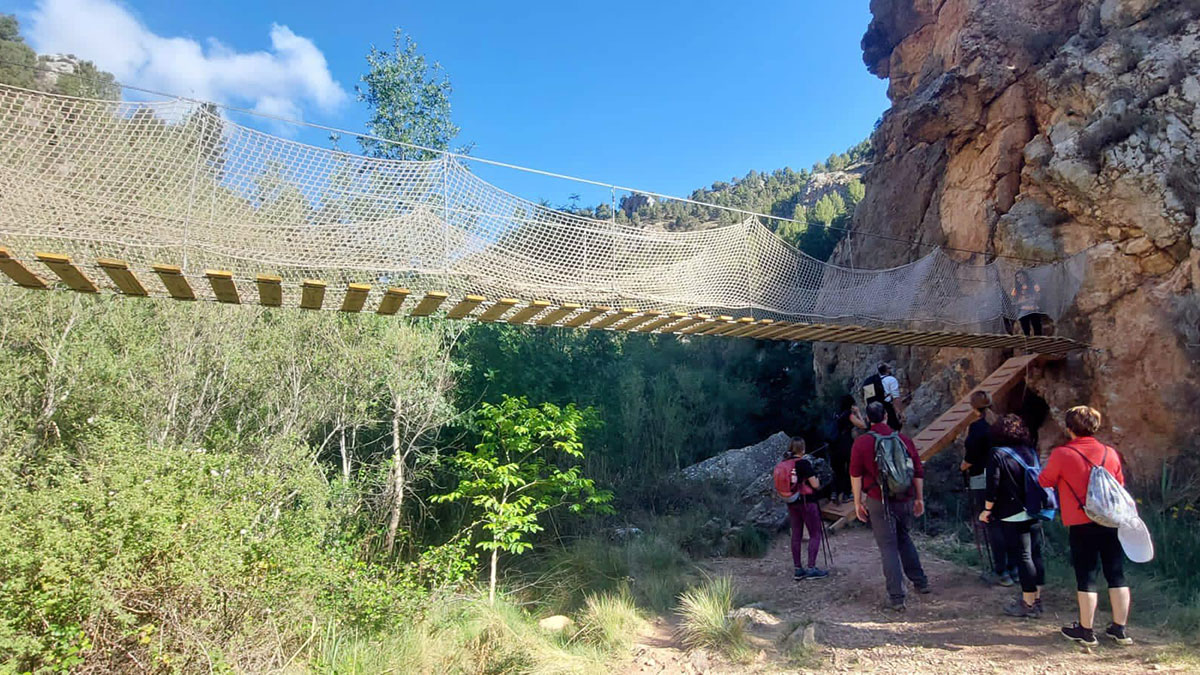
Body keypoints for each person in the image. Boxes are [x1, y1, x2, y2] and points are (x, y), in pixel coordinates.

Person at [1038, 406, 1134, 647]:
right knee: (1116, 573)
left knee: (1086, 576)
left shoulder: (1063, 454)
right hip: (1110, 521)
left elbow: (1044, 480)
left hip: (1081, 522)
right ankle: (1119, 630)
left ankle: (1086, 630)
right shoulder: (1110, 453)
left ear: (1069, 428)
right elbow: (1120, 483)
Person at [850, 402, 929, 611]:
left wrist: (858, 502)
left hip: (878, 500)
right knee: (904, 538)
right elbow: (918, 471)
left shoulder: (861, 443)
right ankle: (920, 582)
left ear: (868, 419)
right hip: (905, 497)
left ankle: (897, 597)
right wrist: (919, 499)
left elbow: (855, 475)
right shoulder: (903, 440)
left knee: (888, 547)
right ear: (886, 416)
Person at [979, 414, 1046, 618]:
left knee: (1023, 556)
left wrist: (987, 510)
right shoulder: (1030, 452)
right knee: (1035, 554)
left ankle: (1027, 603)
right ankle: (1037, 598)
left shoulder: (997, 454)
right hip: (1034, 509)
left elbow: (993, 485)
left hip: (1011, 512)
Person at [961, 391, 1013, 586]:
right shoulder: (1000, 425)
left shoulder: (977, 427)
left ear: (973, 407)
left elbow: (971, 454)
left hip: (981, 477)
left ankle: (1000, 570)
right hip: (1005, 477)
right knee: (1005, 521)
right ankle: (1012, 568)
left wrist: (964, 465)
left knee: (991, 523)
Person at [785, 438, 830, 581]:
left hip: (792, 502)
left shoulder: (785, 463)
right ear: (802, 449)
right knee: (815, 533)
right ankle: (811, 568)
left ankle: (798, 569)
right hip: (807, 502)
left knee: (796, 535)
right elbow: (815, 484)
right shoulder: (804, 464)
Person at [830, 394, 867, 504]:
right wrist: (858, 413)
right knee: (849, 467)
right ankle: (847, 494)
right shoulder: (848, 415)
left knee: (837, 470)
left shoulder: (836, 414)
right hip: (845, 444)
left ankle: (835, 492)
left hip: (833, 445)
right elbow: (863, 425)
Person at [862, 363, 903, 431]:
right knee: (892, 431)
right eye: (889, 368)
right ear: (886, 370)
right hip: (887, 411)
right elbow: (896, 398)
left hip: (872, 413)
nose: (891, 369)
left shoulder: (870, 381)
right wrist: (899, 413)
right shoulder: (891, 380)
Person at [1012, 270, 1046, 336]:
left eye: (1021, 277)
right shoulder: (1016, 289)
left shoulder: (1034, 285)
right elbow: (1014, 301)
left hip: (1033, 310)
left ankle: (1039, 344)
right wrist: (1025, 301)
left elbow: (1039, 296)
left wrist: (1032, 298)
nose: (1020, 279)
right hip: (1023, 311)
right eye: (1018, 278)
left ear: (1025, 276)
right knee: (1026, 330)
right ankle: (1028, 344)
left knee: (1037, 329)